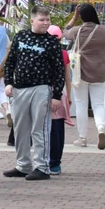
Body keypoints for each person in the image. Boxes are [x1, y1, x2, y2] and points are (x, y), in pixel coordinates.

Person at [3, 6, 65, 181]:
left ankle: (42, 166)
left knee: (40, 128)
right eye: (41, 20)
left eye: (47, 20)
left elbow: (59, 71)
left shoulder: (52, 43)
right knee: (20, 128)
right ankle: (23, 164)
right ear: (32, 21)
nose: (45, 23)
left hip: (41, 88)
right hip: (19, 88)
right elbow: (11, 61)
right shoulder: (21, 37)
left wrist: (56, 95)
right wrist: (8, 82)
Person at [64, 4, 105, 150]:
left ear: (82, 16)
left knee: (81, 105)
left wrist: (74, 17)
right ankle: (101, 129)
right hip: (99, 72)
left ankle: (82, 138)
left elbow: (64, 31)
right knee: (98, 104)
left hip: (80, 73)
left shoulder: (78, 31)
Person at [47, 25, 74, 175]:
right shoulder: (64, 54)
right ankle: (56, 162)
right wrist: (69, 96)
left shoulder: (44, 52)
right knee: (58, 129)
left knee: (46, 129)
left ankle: (47, 160)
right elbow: (68, 77)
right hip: (61, 93)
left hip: (45, 92)